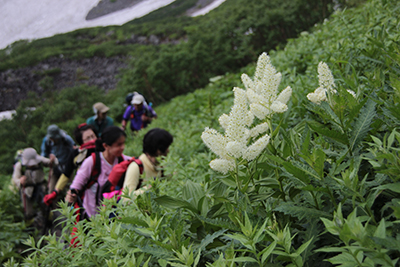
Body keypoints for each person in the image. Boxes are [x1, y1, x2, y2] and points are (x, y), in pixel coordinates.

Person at [66, 126, 130, 219]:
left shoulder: (123, 160)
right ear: (105, 146)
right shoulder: (92, 162)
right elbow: (75, 187)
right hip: (92, 217)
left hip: (114, 216)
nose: (122, 147)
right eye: (118, 145)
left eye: (123, 143)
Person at [43, 123, 98, 206]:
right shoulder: (76, 155)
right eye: (87, 138)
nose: (92, 140)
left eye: (93, 136)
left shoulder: (104, 148)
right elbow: (66, 174)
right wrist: (55, 191)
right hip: (85, 191)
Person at [122, 128, 173, 197]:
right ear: (157, 149)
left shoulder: (162, 166)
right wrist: (150, 187)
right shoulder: (136, 167)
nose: (168, 151)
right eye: (165, 148)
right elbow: (126, 199)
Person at [12, 148, 58, 220]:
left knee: (45, 206)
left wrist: (53, 160)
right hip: (27, 189)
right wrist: (20, 181)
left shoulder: (39, 159)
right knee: (28, 212)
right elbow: (15, 178)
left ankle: (48, 221)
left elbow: (52, 163)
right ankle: (30, 226)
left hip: (40, 187)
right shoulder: (19, 165)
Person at [40, 124, 75, 193]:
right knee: (51, 190)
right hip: (55, 167)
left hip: (67, 167)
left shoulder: (66, 139)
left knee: (69, 189)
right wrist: (49, 160)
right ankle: (53, 203)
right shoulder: (47, 141)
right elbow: (43, 155)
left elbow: (74, 150)